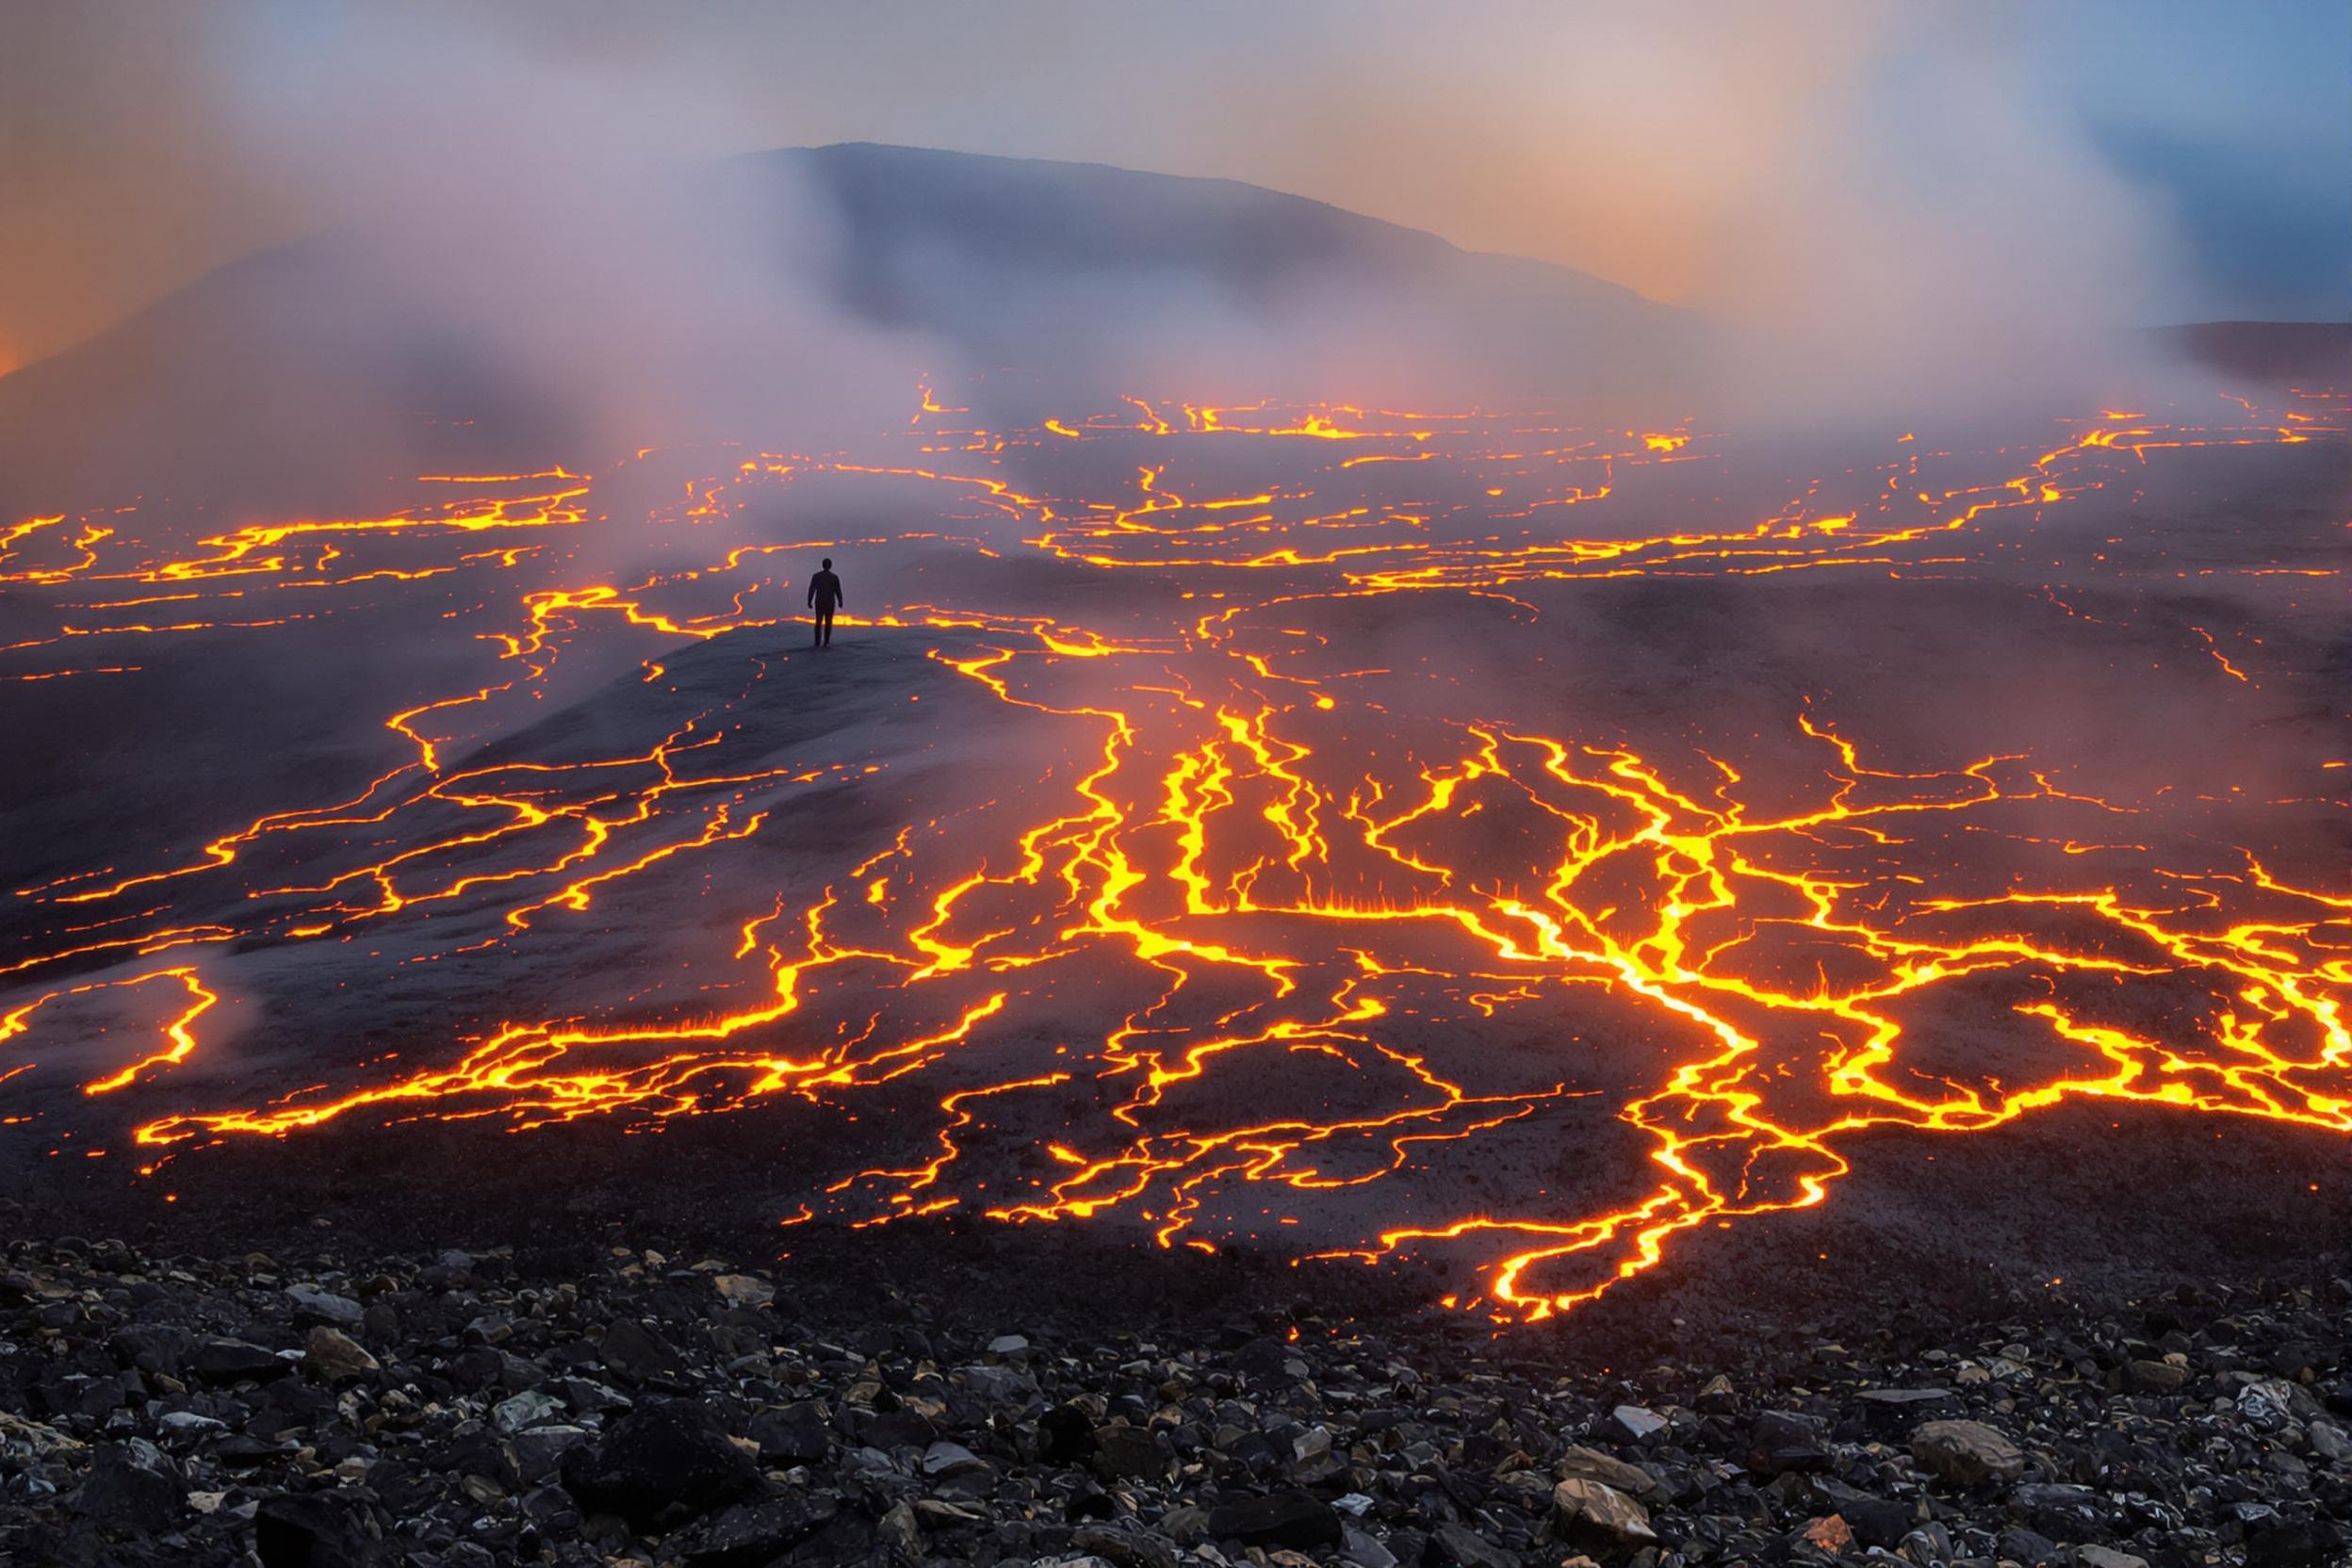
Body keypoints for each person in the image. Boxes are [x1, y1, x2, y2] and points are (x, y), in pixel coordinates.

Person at [805, 557, 843, 648]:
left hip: (819, 602)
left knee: (818, 622)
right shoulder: (834, 577)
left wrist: (809, 601)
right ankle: (826, 642)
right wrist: (840, 601)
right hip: (829, 602)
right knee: (828, 622)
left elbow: (812, 589)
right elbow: (838, 591)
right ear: (830, 566)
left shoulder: (816, 576)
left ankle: (817, 642)